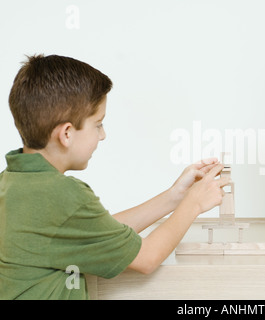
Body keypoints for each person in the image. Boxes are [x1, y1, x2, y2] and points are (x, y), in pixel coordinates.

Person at [0, 54, 229, 299]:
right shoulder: (64, 194)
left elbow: (95, 231)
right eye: (98, 124)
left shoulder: (12, 182)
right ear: (67, 133)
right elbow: (147, 258)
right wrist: (193, 203)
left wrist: (175, 197)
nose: (103, 135)